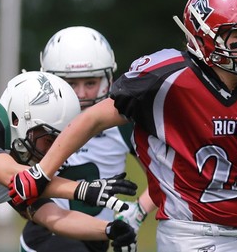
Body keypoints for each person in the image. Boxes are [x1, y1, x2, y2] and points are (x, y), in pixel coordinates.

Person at [9, 0, 237, 252]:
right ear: (204, 38)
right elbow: (92, 119)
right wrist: (40, 174)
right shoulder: (164, 80)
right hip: (190, 233)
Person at [0, 71, 137, 251]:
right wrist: (82, 189)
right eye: (49, 140)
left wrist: (108, 229)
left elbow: (53, 217)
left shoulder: (25, 169)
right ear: (18, 119)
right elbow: (14, 175)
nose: (55, 152)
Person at [18, 26, 154, 252]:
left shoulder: (123, 124)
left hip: (99, 235)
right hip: (47, 232)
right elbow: (12, 171)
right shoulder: (35, 119)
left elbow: (164, 177)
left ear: (107, 78)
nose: (81, 94)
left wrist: (137, 212)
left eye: (90, 83)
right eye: (71, 84)